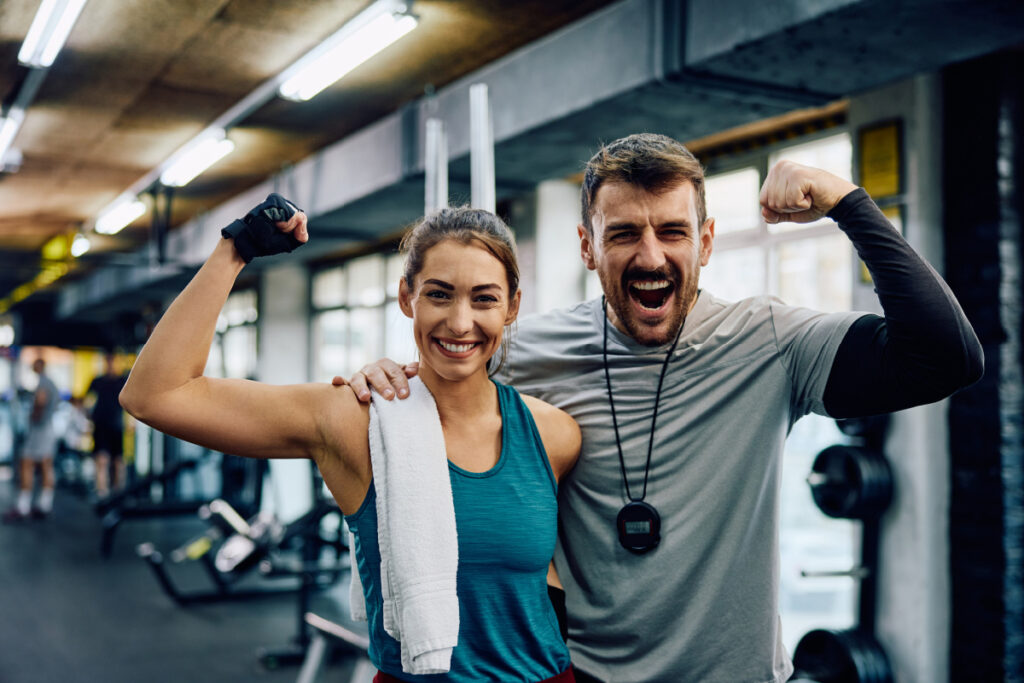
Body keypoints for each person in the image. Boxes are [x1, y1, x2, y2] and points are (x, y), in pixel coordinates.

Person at [342, 133, 985, 682]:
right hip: (584, 675)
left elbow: (946, 358)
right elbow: (445, 371)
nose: (651, 256)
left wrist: (848, 204)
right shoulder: (523, 351)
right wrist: (393, 378)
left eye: (672, 231)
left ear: (705, 241)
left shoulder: (771, 341)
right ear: (588, 247)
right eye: (623, 233)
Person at [119, 195, 581, 682]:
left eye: (484, 298)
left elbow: (542, 582)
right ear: (407, 298)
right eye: (439, 294)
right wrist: (235, 250)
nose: (461, 322)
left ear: (512, 307)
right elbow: (156, 395)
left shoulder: (554, 435)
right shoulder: (355, 419)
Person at [4, 358, 62, 521]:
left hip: (40, 430)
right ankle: (44, 504)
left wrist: (32, 417)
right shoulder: (50, 383)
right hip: (47, 428)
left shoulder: (44, 383)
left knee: (27, 463)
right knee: (45, 464)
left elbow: (41, 401)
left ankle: (23, 506)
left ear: (40, 366)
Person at [86, 352, 128, 498]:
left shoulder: (122, 381)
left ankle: (118, 493)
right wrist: (89, 416)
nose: (110, 364)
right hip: (101, 425)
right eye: (108, 360)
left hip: (116, 425)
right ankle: (102, 492)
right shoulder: (97, 381)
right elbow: (88, 400)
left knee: (118, 461)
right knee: (101, 459)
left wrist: (130, 421)